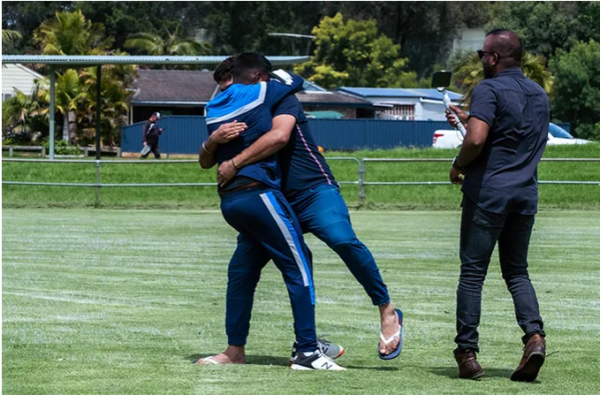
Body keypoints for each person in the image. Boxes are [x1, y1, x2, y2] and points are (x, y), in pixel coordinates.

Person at [211, 57, 403, 362]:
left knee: (342, 240)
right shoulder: (237, 107)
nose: (227, 97)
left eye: (231, 88)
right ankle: (237, 350)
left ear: (252, 78)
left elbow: (279, 137)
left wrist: (233, 164)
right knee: (241, 271)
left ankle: (387, 309)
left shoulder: (281, 98)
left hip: (314, 190)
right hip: (272, 200)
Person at [196, 53, 345, 371]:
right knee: (299, 264)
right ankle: (307, 350)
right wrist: (269, 72)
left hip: (230, 201)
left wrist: (215, 143)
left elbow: (206, 160)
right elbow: (293, 82)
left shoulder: (214, 107)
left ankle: (234, 350)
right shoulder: (261, 91)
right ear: (256, 76)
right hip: (258, 194)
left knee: (240, 274)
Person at [445, 29, 547, 382]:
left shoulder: (488, 89)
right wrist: (467, 115)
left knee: (473, 274)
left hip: (488, 194)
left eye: (481, 54)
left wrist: (458, 166)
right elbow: (509, 134)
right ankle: (534, 337)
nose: (480, 59)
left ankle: (467, 353)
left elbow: (476, 140)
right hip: (525, 195)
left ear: (493, 57)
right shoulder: (538, 93)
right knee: (517, 272)